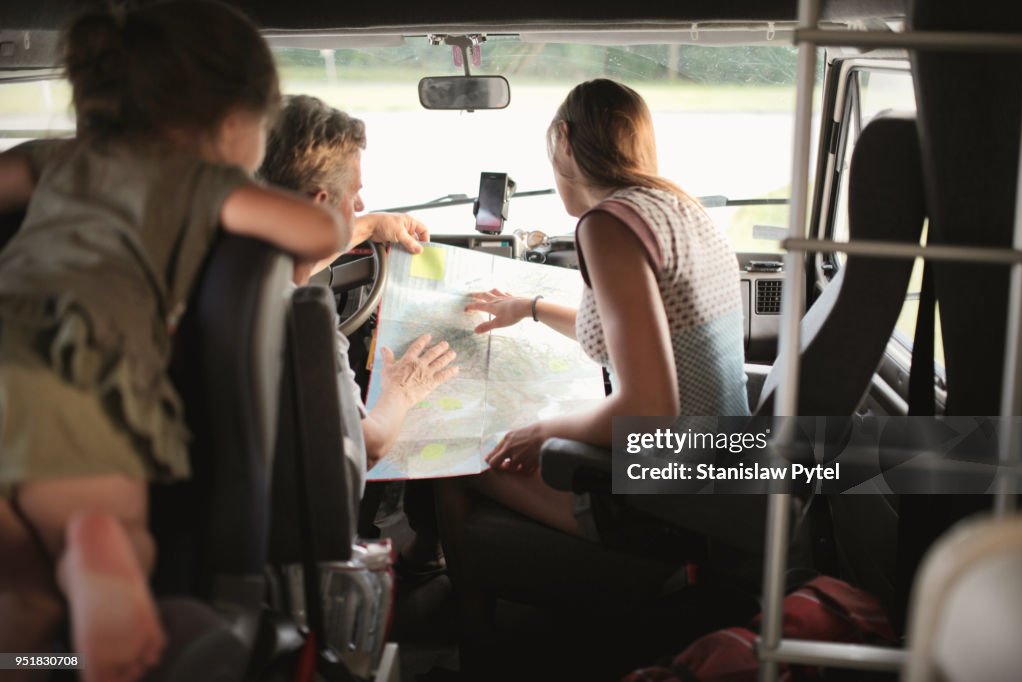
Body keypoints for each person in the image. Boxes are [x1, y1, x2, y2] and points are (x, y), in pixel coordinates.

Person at [0, 3, 351, 680]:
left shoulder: (53, 158)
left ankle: (33, 662)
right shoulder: (201, 180)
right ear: (231, 123)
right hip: (77, 374)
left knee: (22, 598)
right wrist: (336, 219)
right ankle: (99, 563)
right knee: (104, 535)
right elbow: (315, 234)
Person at [438, 77, 749, 644]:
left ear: (563, 140)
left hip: (669, 493)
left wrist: (543, 433)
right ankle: (422, 570)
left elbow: (651, 408)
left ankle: (470, 645)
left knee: (460, 460)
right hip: (722, 468)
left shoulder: (605, 225)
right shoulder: (675, 203)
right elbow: (638, 324)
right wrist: (529, 308)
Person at [258, 95, 455, 574]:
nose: (362, 202)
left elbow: (294, 248)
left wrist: (367, 226)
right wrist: (404, 389)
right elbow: (367, 446)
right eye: (355, 193)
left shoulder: (220, 268)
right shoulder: (297, 319)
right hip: (296, 540)